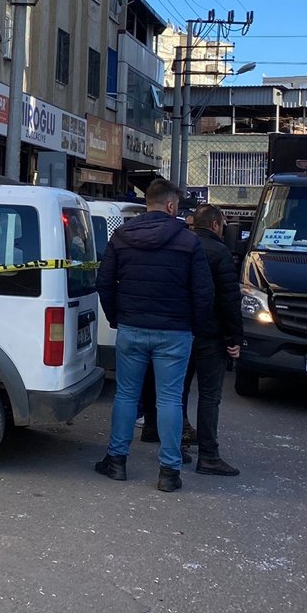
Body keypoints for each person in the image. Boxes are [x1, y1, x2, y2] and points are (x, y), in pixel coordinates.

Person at [94, 178, 214, 492]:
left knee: (125, 395)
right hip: (175, 332)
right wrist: (194, 329)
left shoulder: (120, 237)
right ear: (172, 206)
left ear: (148, 202)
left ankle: (116, 462)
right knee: (170, 400)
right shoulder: (190, 243)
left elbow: (104, 282)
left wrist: (117, 317)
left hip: (132, 328)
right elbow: (204, 294)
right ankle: (169, 472)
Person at [180, 204, 243, 476]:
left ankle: (177, 444)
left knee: (177, 391)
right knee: (209, 395)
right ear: (216, 225)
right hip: (211, 335)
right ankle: (208, 455)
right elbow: (229, 299)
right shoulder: (220, 252)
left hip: (180, 331)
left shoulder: (181, 246)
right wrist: (235, 337)